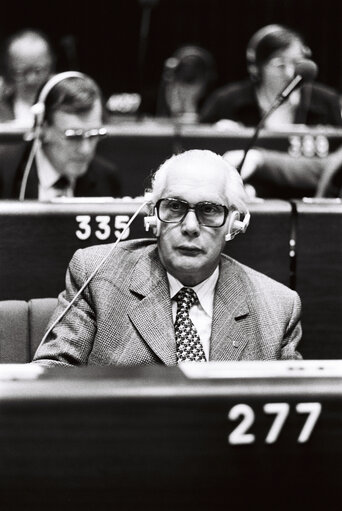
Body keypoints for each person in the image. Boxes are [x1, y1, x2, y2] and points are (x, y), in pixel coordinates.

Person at [33, 149, 302, 367]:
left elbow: (291, 410)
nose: (190, 226)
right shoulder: (98, 276)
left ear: (233, 224)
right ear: (153, 218)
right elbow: (50, 378)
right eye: (175, 207)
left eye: (209, 210)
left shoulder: (277, 308)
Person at [0, 72, 121, 200]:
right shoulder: (4, 171)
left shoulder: (106, 178)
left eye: (94, 135)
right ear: (42, 129)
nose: (85, 150)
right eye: (74, 136)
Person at [200, 24, 342, 128]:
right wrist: (217, 133)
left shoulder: (327, 101)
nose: (290, 73)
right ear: (256, 67)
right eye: (280, 65)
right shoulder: (225, 101)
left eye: (297, 63)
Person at [0, 29, 55, 124]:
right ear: (8, 68)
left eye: (38, 70)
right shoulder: (2, 98)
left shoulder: (64, 97)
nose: (31, 80)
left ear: (51, 64)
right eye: (20, 71)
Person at [156, 45, 217, 122]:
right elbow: (170, 111)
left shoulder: (206, 90)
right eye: (186, 65)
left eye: (192, 66)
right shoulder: (173, 86)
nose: (189, 69)